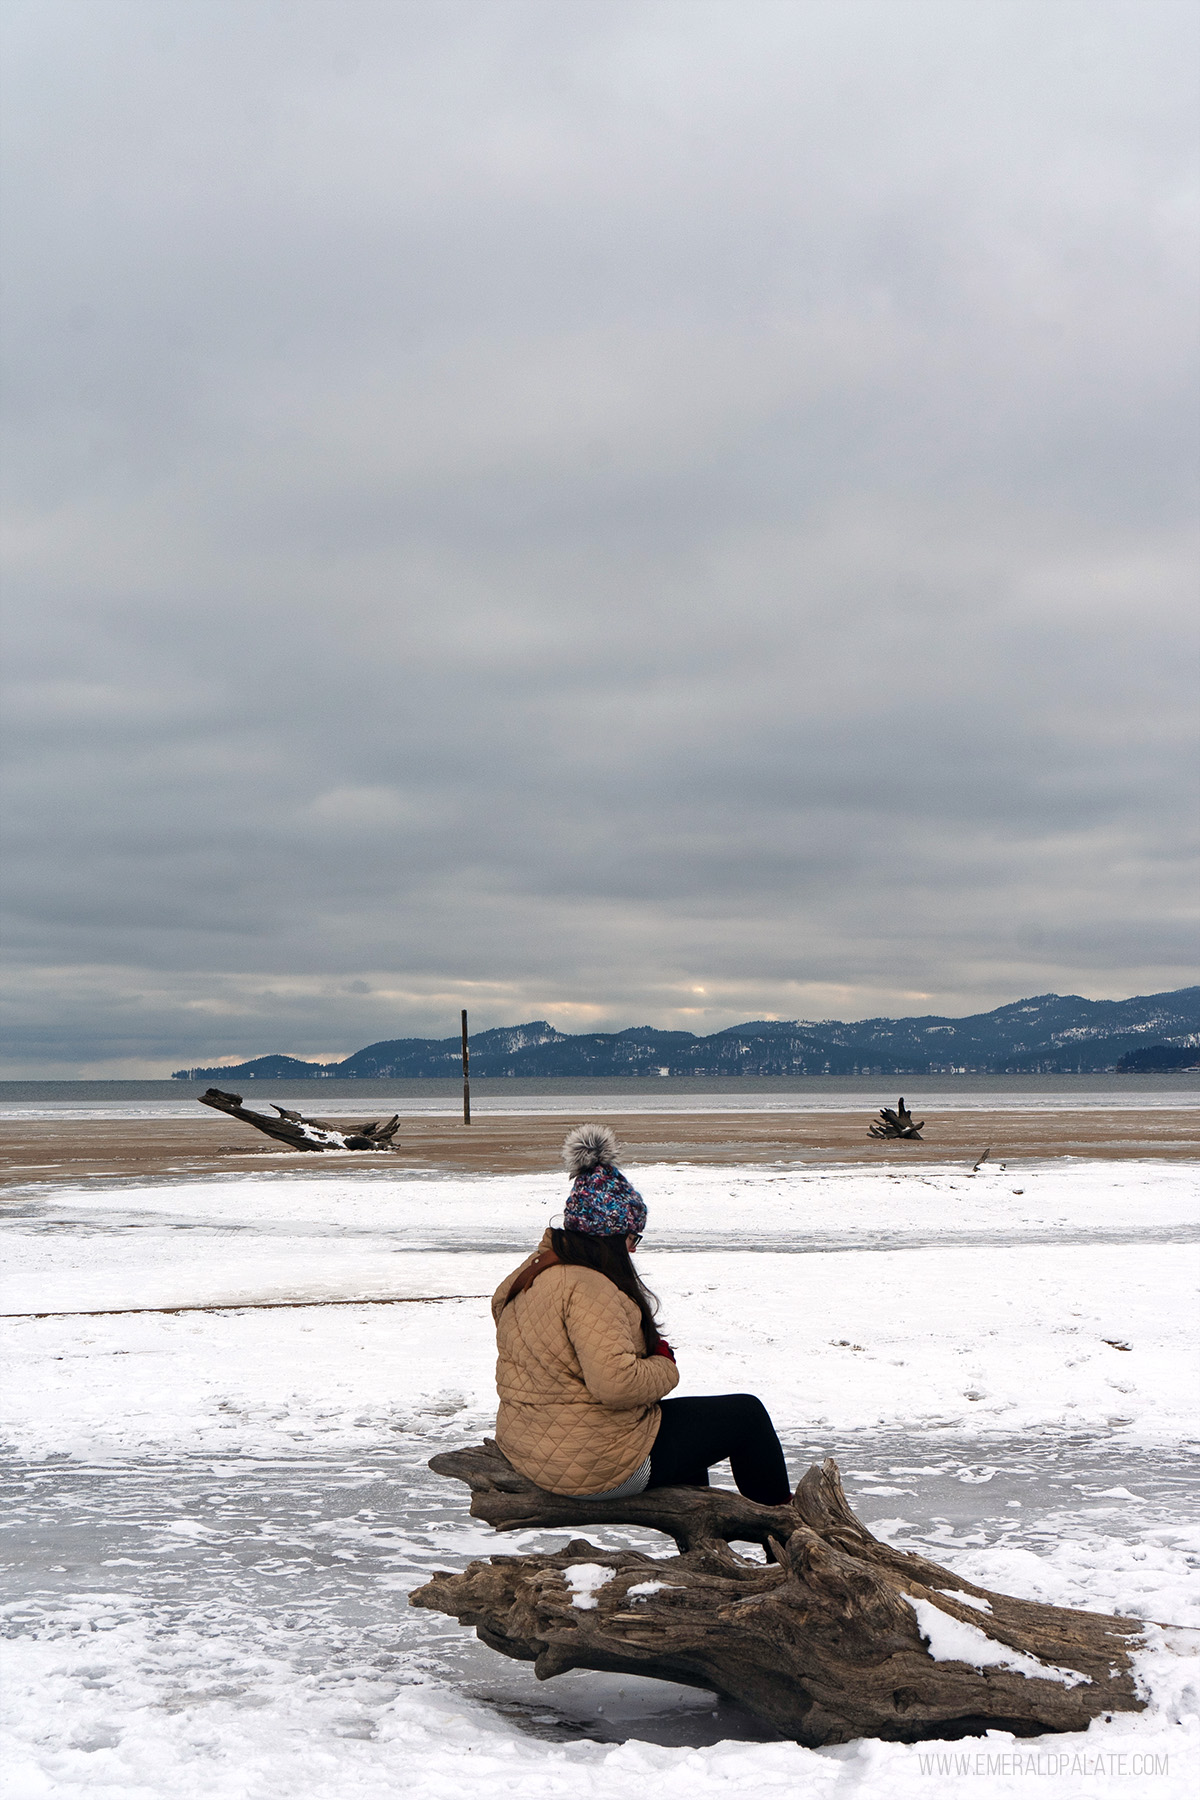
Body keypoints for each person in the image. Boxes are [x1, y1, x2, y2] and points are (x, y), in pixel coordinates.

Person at [491, 1123, 791, 1504]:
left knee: (688, 1435)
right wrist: (664, 1363)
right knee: (746, 1416)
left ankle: (704, 1544)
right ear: (612, 1237)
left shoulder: (529, 1274)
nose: (633, 1250)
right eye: (632, 1238)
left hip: (532, 1446)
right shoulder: (590, 1288)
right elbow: (615, 1385)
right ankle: (783, 1531)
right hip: (592, 1463)